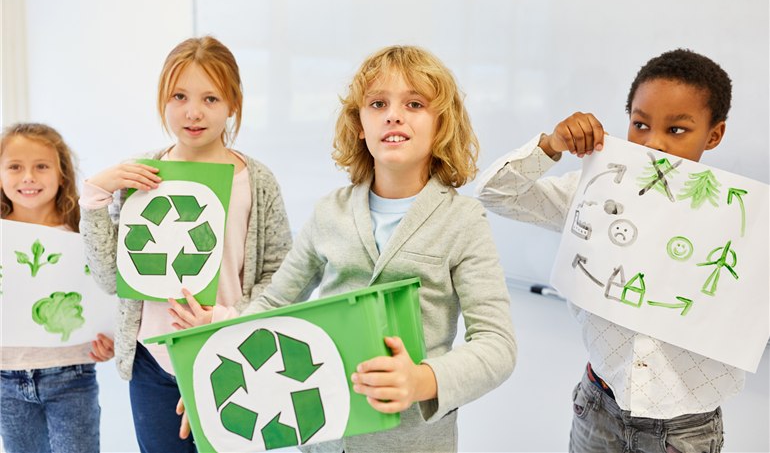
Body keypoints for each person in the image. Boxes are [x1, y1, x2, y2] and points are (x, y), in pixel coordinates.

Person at [218, 45, 517, 452]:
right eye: (378, 103)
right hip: (326, 438)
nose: (394, 114)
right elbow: (273, 305)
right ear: (360, 123)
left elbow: (497, 345)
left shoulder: (463, 221)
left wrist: (422, 380)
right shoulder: (329, 213)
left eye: (414, 104)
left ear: (441, 123)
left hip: (415, 443)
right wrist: (215, 348)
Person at [476, 49, 738, 453]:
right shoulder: (597, 189)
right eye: (640, 124)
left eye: (678, 130)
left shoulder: (738, 221)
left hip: (686, 427)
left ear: (714, 134)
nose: (655, 143)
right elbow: (496, 194)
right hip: (598, 405)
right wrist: (550, 145)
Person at [79, 36, 292, 453]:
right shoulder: (140, 175)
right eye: (179, 96)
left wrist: (226, 317)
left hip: (232, 353)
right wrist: (95, 196)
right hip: (153, 363)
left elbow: (280, 277)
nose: (193, 112)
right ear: (163, 99)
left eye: (211, 98)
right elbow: (111, 278)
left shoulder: (257, 181)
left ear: (233, 104)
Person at [0, 122, 115, 453]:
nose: (28, 177)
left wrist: (111, 342)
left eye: (41, 166)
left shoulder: (84, 232)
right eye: (15, 167)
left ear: (62, 173)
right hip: (6, 377)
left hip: (72, 375)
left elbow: (108, 296)